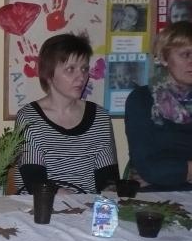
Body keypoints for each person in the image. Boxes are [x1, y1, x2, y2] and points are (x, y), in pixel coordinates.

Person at [15, 33, 119, 194]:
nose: (81, 77)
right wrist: (72, 201)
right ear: (49, 74)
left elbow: (108, 179)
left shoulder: (100, 117)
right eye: (70, 69)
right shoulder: (29, 117)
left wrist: (108, 199)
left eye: (84, 69)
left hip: (88, 205)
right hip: (42, 204)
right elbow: (35, 180)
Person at [125, 21, 192, 191]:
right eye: (185, 54)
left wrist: (172, 172)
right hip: (155, 197)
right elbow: (149, 169)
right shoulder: (142, 100)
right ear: (163, 58)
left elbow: (157, 172)